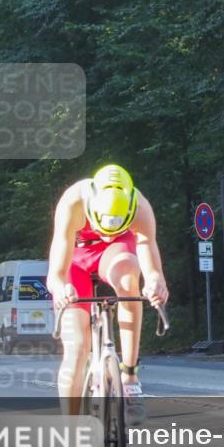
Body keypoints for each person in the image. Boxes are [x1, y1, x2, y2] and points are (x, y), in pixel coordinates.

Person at [47, 164, 169, 424]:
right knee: (77, 348)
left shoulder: (140, 206)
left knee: (128, 280)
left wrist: (155, 281)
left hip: (115, 251)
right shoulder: (73, 201)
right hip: (75, 258)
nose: (103, 233)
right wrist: (61, 289)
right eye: (101, 227)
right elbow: (56, 272)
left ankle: (130, 375)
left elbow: (149, 254)